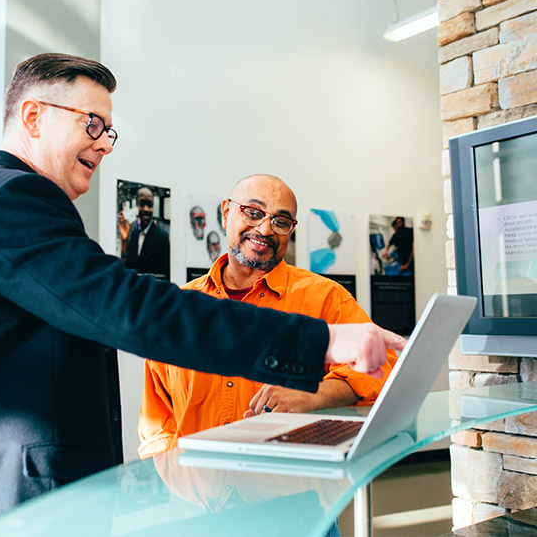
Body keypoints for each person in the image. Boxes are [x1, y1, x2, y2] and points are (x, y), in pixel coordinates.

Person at [0, 53, 405, 537]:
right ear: (32, 117)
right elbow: (132, 308)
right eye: (91, 123)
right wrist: (322, 342)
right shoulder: (11, 198)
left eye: (108, 130)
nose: (105, 143)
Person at [138, 175, 398, 459]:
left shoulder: (326, 298)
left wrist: (313, 395)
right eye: (253, 212)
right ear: (226, 213)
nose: (264, 229)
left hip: (289, 488)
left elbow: (383, 367)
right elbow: (157, 420)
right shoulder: (181, 307)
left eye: (281, 221)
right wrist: (172, 482)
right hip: (197, 492)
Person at [117, 186, 170, 280]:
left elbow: (165, 275)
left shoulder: (162, 237)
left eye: (149, 205)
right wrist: (124, 241)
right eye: (142, 203)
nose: (146, 209)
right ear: (137, 205)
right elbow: (127, 268)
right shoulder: (134, 234)